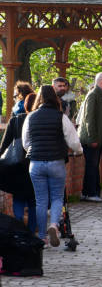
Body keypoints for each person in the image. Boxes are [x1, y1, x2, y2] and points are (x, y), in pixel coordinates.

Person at [22, 85, 82, 246]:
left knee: (41, 200)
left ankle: (42, 237)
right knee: (57, 198)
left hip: (36, 163)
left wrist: (35, 150)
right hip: (56, 161)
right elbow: (73, 141)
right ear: (54, 98)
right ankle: (54, 225)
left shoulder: (31, 117)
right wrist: (78, 151)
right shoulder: (60, 117)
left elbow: (26, 142)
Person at [0, 93, 37, 233]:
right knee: (34, 200)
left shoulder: (15, 121)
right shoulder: (37, 119)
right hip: (33, 162)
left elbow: (4, 145)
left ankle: (19, 224)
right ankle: (32, 230)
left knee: (18, 197)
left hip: (16, 166)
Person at [78, 72, 102, 202]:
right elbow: (89, 118)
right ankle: (90, 192)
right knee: (92, 165)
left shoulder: (99, 95)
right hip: (91, 139)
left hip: (97, 138)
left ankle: (91, 191)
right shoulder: (93, 95)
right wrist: (92, 138)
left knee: (94, 165)